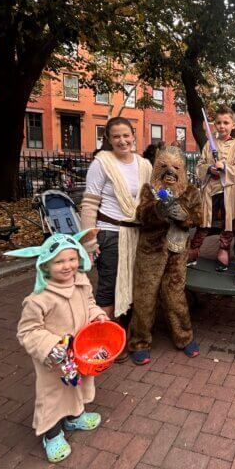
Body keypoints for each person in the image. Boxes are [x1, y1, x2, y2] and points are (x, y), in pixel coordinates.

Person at [6, 231, 107, 463]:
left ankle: (75, 416)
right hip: (53, 359)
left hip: (79, 352)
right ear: (45, 265)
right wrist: (51, 346)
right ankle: (51, 434)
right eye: (59, 261)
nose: (67, 266)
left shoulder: (82, 282)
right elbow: (28, 331)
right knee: (52, 396)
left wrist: (97, 316)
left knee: (77, 385)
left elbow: (89, 304)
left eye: (71, 259)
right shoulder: (38, 299)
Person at [128, 146, 203, 365]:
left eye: (175, 167)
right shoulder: (149, 190)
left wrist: (184, 216)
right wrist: (158, 211)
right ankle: (139, 342)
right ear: (156, 168)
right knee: (145, 296)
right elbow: (142, 215)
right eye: (164, 166)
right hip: (151, 250)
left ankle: (184, 336)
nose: (169, 172)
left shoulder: (191, 192)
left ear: (182, 170)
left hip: (177, 252)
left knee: (175, 295)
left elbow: (198, 217)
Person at [80, 117, 152, 339]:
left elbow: (149, 200)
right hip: (110, 232)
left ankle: (126, 331)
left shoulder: (144, 165)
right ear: (109, 140)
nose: (122, 141)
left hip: (136, 232)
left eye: (126, 135)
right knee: (109, 287)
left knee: (133, 283)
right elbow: (90, 203)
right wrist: (90, 242)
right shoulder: (101, 163)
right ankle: (106, 337)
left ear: (133, 136)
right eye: (116, 137)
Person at [188, 106, 235, 271]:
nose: (222, 126)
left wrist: (225, 166)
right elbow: (199, 166)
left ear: (233, 125)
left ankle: (223, 250)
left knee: (227, 223)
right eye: (218, 123)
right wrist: (209, 169)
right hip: (210, 191)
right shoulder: (208, 145)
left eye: (226, 122)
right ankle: (194, 250)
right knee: (204, 222)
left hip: (228, 192)